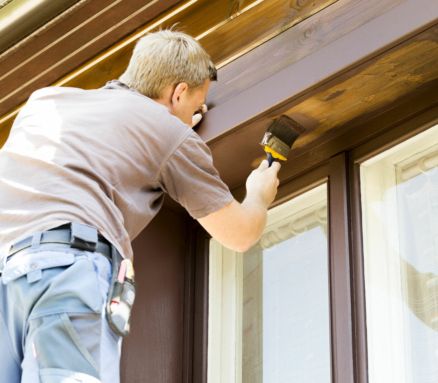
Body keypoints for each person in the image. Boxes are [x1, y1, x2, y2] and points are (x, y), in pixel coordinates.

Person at [0, 28, 280, 383]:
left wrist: (173, 119)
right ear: (178, 92)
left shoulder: (44, 103)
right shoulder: (165, 131)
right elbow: (240, 235)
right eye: (197, 105)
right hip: (68, 272)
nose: (198, 113)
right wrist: (258, 194)